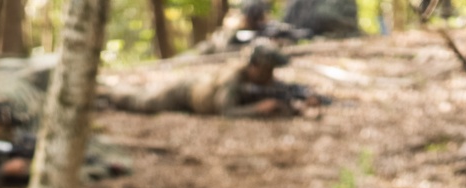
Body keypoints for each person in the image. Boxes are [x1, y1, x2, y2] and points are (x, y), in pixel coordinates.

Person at [98, 38, 311, 117]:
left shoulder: (257, 80)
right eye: (267, 69)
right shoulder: (233, 79)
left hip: (191, 95)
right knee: (141, 101)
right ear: (254, 66)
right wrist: (257, 109)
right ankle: (105, 91)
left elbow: (279, 90)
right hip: (184, 93)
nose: (270, 75)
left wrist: (298, 103)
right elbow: (226, 110)